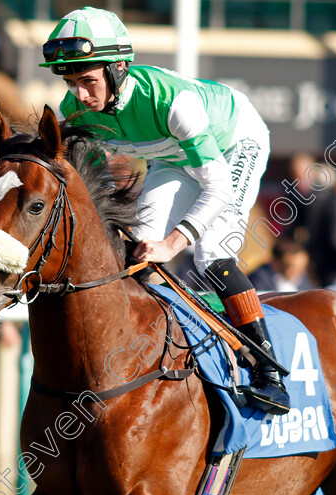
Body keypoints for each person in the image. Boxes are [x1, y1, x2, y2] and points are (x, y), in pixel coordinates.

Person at [40, 7, 287, 414]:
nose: (80, 96)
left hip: (233, 143)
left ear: (118, 69)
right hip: (172, 156)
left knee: (210, 254)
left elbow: (218, 186)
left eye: (87, 81)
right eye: (71, 82)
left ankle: (268, 372)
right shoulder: (76, 111)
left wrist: (173, 243)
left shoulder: (171, 101)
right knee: (138, 247)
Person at [249, 238, 315, 292]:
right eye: (294, 268)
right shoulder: (259, 279)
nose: (302, 272)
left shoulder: (302, 278)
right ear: (277, 263)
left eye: (303, 267)